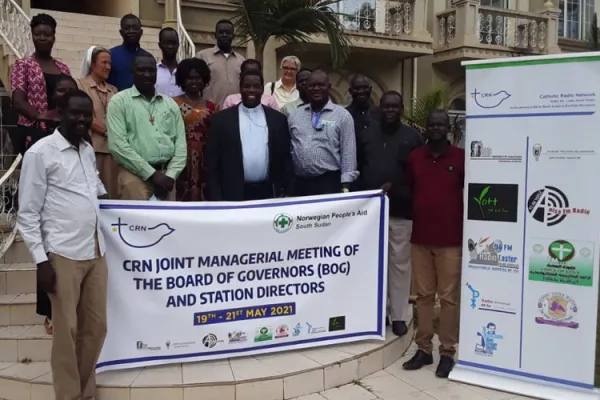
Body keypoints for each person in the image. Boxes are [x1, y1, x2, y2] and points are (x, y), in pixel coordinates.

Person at [17, 90, 108, 400]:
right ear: (59, 113)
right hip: (62, 254)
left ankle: (84, 392)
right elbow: (27, 214)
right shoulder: (40, 154)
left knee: (96, 329)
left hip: (96, 251)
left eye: (87, 115)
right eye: (75, 114)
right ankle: (69, 396)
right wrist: (41, 262)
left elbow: (94, 187)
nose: (82, 120)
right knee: (66, 334)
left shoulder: (87, 149)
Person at [402, 109, 464, 379]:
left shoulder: (461, 159)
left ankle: (447, 352)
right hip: (420, 239)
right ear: (425, 128)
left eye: (441, 124)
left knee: (449, 299)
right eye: (432, 125)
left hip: (451, 240)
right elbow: (409, 190)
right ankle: (424, 349)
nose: (436, 128)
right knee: (424, 297)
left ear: (448, 128)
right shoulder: (415, 158)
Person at [357, 91, 423, 337]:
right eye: (386, 106)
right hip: (371, 213)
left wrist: (397, 189)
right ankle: (377, 312)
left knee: (399, 264)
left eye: (395, 106)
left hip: (401, 212)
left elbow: (419, 176)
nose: (390, 110)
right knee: (373, 264)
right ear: (380, 108)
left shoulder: (413, 137)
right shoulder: (366, 135)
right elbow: (358, 168)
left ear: (402, 109)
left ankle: (398, 315)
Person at [107, 53, 187, 200]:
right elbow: (117, 145)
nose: (147, 74)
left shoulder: (170, 104)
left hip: (167, 178)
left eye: (151, 70)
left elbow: (180, 145)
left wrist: (170, 176)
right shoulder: (119, 102)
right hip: (134, 176)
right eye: (141, 70)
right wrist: (151, 174)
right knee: (138, 222)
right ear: (132, 71)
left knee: (168, 222)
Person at [206, 69, 291, 201]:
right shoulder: (221, 120)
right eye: (247, 86)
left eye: (256, 86)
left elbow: (285, 159)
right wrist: (216, 197)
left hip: (268, 193)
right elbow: (212, 164)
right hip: (232, 194)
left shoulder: (278, 120)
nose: (251, 90)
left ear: (262, 89)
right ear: (240, 89)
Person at [288, 70, 358, 196]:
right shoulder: (295, 115)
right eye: (312, 86)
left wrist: (346, 187)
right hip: (299, 184)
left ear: (329, 87)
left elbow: (348, 154)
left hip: (328, 183)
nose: (316, 89)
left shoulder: (342, 116)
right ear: (306, 88)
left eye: (321, 85)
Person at [10, 13, 71, 155]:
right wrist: (40, 116)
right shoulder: (23, 65)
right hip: (33, 130)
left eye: (47, 34)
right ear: (32, 36)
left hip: (61, 130)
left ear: (54, 37)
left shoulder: (63, 68)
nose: (42, 38)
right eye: (37, 34)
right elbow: (18, 101)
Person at [173, 58, 218, 201]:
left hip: (205, 159)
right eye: (189, 78)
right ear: (182, 80)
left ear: (204, 79)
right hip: (181, 157)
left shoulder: (212, 107)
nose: (194, 81)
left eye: (197, 78)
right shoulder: (173, 104)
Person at [77, 46, 119, 199]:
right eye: (104, 63)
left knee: (112, 193)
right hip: (91, 148)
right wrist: (108, 131)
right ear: (92, 64)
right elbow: (83, 114)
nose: (108, 67)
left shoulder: (114, 90)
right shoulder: (80, 85)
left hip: (113, 151)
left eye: (109, 63)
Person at [196, 19, 245, 107]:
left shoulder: (241, 60)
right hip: (210, 111)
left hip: (235, 111)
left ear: (233, 36)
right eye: (221, 32)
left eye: (228, 33)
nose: (224, 35)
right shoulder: (202, 56)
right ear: (215, 35)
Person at [107, 14, 152, 91]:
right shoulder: (111, 55)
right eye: (127, 28)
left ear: (141, 32)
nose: (131, 31)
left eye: (135, 28)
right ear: (121, 32)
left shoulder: (148, 57)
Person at [156, 27, 183, 97]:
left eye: (173, 43)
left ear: (178, 45)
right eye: (166, 43)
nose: (170, 46)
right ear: (160, 45)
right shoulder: (153, 71)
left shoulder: (185, 71)